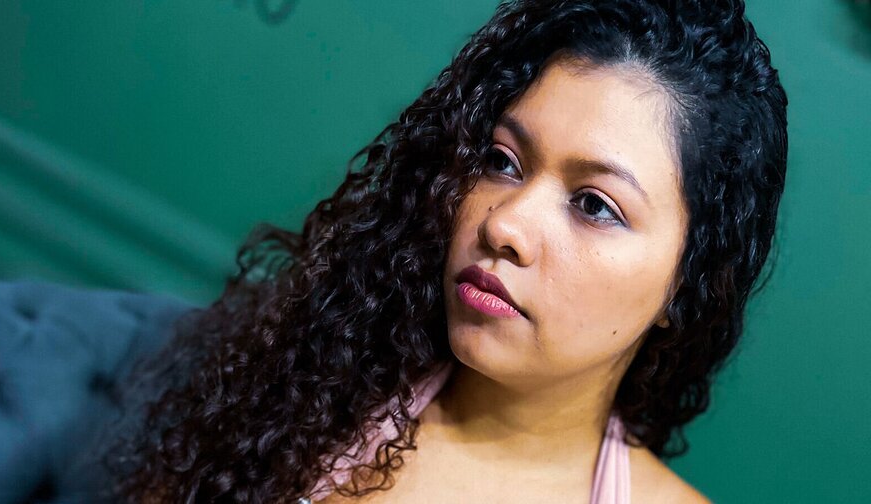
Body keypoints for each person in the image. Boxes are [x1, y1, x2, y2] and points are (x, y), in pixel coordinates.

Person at [107, 0, 788, 502]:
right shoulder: (300, 395)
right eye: (502, 161)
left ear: (687, 284)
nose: (505, 225)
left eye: (593, 205)